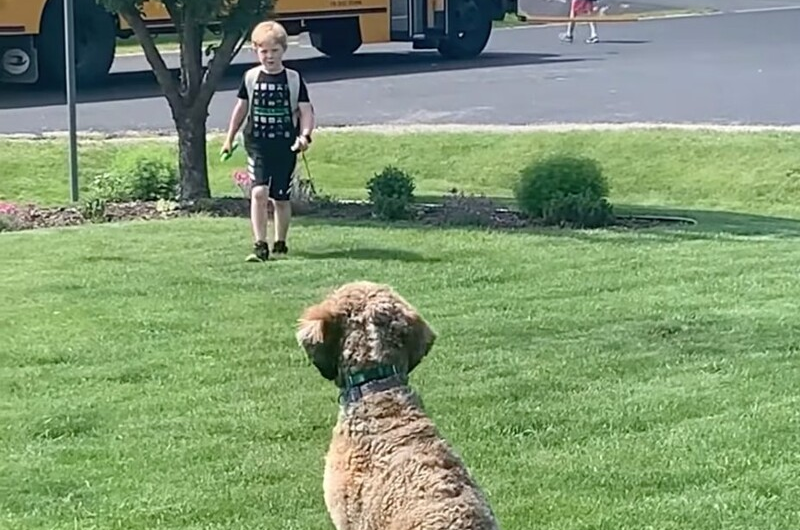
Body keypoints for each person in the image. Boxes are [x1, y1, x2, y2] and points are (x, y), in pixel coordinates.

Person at [221, 20, 315, 262]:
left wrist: (304, 136)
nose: (269, 56)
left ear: (283, 50)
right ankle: (259, 244)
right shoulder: (251, 77)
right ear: (256, 51)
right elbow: (241, 109)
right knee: (259, 192)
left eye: (274, 51)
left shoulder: (293, 79)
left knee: (281, 198)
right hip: (257, 144)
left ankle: (280, 241)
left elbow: (306, 111)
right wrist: (229, 139)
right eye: (264, 51)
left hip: (285, 146)